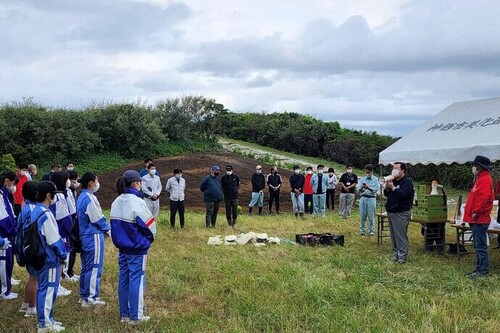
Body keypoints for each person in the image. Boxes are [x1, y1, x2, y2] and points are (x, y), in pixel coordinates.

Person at [110, 170, 156, 324]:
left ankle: (124, 314)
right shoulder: (137, 202)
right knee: (136, 280)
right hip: (137, 248)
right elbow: (149, 227)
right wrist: (148, 240)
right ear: (136, 183)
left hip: (122, 248)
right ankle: (136, 316)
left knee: (124, 279)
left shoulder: (117, 201)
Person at [31, 181, 67, 332]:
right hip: (49, 258)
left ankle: (47, 320)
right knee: (49, 290)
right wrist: (63, 255)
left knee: (44, 288)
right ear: (48, 195)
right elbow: (54, 239)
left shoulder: (35, 210)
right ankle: (45, 324)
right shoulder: (46, 214)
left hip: (40, 256)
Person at [76, 172, 110, 307]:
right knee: (94, 267)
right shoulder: (89, 198)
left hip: (85, 235)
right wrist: (107, 230)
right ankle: (90, 297)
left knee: (86, 267)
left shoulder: (81, 196)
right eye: (97, 180)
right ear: (91, 183)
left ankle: (84, 295)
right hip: (93, 235)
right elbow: (97, 218)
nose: (97, 183)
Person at [463, 155, 495, 279]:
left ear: (480, 167)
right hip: (476, 218)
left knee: (480, 246)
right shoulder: (480, 178)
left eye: (475, 165)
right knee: (477, 246)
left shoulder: (485, 179)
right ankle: (479, 268)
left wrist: (476, 211)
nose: (473, 167)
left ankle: (484, 271)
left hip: (479, 219)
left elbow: (484, 197)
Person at [49, 171, 74, 295]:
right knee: (60, 260)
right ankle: (56, 286)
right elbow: (64, 217)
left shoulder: (53, 195)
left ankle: (56, 285)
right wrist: (72, 231)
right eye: (67, 180)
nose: (68, 182)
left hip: (54, 230)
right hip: (61, 233)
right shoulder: (59, 196)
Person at [384, 162, 414, 264]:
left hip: (401, 212)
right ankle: (396, 254)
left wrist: (393, 188)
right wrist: (388, 187)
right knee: (394, 235)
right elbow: (386, 194)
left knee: (400, 236)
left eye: (396, 168)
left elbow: (403, 194)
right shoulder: (394, 181)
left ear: (402, 170)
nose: (394, 170)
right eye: (393, 168)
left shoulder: (407, 182)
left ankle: (402, 257)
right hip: (391, 211)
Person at [17, 181, 39, 317]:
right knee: (34, 278)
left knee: (31, 277)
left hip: (25, 247)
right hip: (31, 247)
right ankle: (32, 308)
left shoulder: (25, 207)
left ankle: (26, 304)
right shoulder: (31, 209)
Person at [0, 172, 18, 300]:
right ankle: (3, 290)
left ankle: (7, 285)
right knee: (3, 262)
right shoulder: (0, 195)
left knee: (9, 261)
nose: (13, 186)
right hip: (4, 234)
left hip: (8, 234)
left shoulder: (4, 194)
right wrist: (12, 229)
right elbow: (3, 218)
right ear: (7, 181)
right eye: (12, 183)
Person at [356, 164, 379, 236]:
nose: (367, 174)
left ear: (372, 172)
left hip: (371, 198)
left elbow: (375, 190)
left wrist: (368, 188)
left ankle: (371, 231)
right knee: (362, 215)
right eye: (366, 172)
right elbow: (358, 190)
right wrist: (362, 187)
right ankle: (362, 231)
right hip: (363, 198)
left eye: (368, 172)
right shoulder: (362, 179)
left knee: (371, 215)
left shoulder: (376, 179)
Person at [65, 170, 79, 280]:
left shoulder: (71, 190)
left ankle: (68, 271)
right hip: (70, 223)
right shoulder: (67, 192)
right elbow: (72, 210)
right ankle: (67, 272)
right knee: (71, 248)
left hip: (70, 222)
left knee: (71, 248)